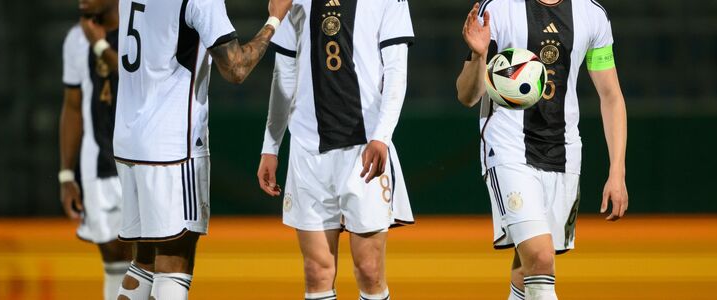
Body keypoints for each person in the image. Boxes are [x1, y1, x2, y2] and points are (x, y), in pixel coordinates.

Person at [111, 0, 291, 298]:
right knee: (173, 265)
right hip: (171, 146)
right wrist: (274, 21)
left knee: (142, 264)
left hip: (129, 139)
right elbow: (236, 68)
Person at [455, 0, 629, 299]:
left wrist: (617, 171)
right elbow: (467, 96)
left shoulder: (592, 14)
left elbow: (611, 96)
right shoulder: (498, 8)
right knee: (541, 257)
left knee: (527, 270)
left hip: (564, 153)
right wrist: (478, 53)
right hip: (508, 147)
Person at [256, 1, 415, 299]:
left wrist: (381, 136)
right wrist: (271, 146)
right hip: (307, 148)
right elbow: (284, 74)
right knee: (317, 271)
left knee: (369, 270)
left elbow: (396, 69)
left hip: (363, 148)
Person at [59, 0, 132, 298]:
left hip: (143, 161)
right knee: (114, 258)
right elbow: (73, 106)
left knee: (150, 256)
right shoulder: (76, 39)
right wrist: (66, 175)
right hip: (97, 164)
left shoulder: (138, 24)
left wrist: (101, 47)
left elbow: (138, 81)